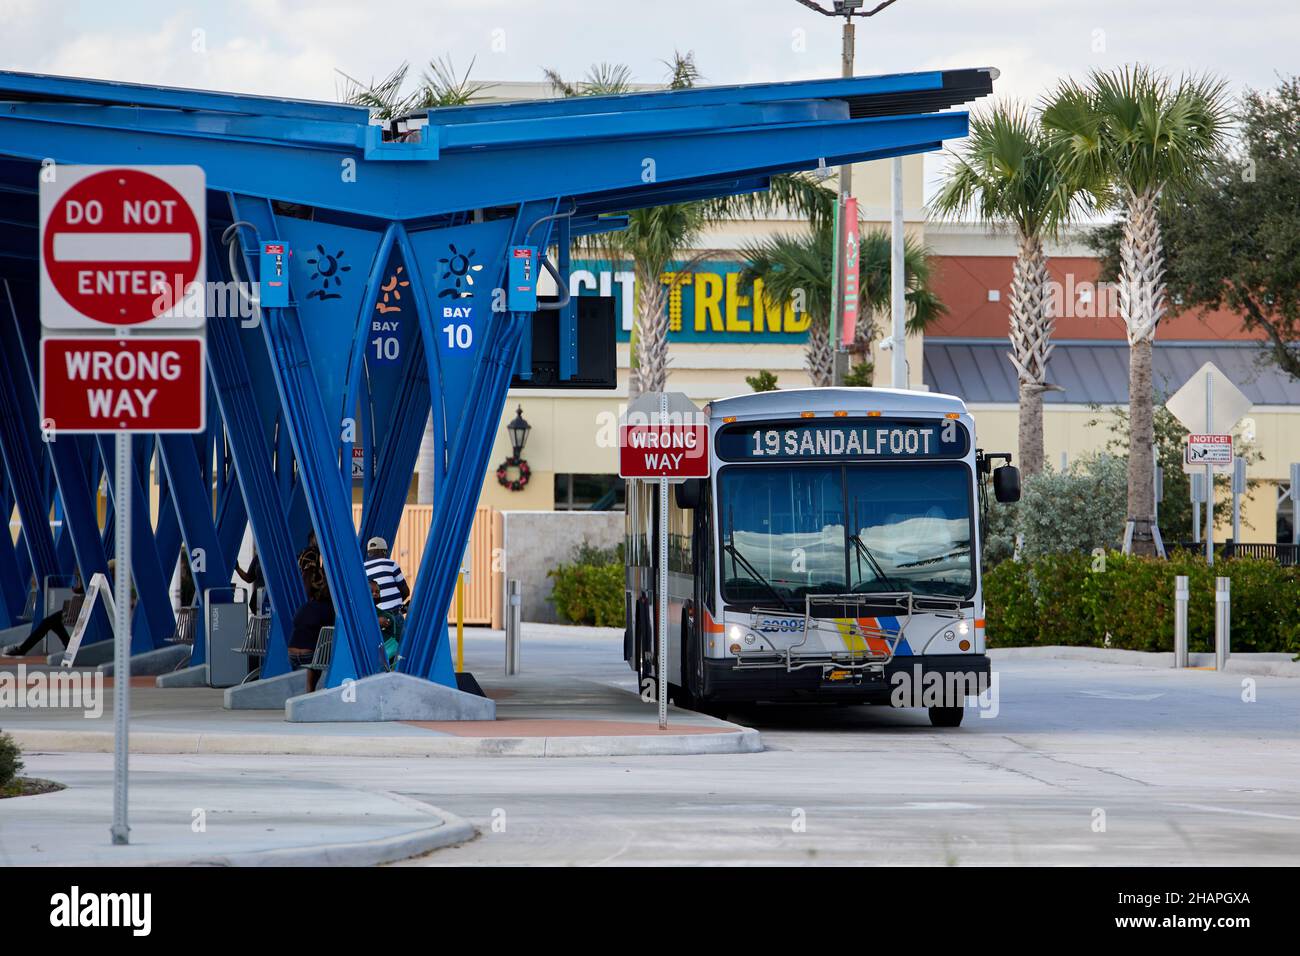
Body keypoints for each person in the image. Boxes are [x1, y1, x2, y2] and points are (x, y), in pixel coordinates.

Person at [2, 576, 81, 657]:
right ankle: (68, 645)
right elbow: (78, 589)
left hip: (80, 608)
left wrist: (75, 586)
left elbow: (78, 590)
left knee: (49, 622)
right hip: (77, 606)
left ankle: (22, 649)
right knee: (53, 623)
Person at [287, 568, 333, 692]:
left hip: (291, 655)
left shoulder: (304, 607)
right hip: (310, 656)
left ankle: (310, 689)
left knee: (315, 651)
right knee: (329, 651)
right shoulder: (330, 610)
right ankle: (315, 688)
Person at [363, 536, 409, 614]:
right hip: (394, 614)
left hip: (376, 616)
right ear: (384, 551)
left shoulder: (362, 568)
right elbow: (405, 592)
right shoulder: (391, 564)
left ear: (368, 553)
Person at [234, 545, 264, 614]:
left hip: (269, 599)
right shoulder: (257, 558)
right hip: (257, 600)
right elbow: (249, 578)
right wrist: (237, 568)